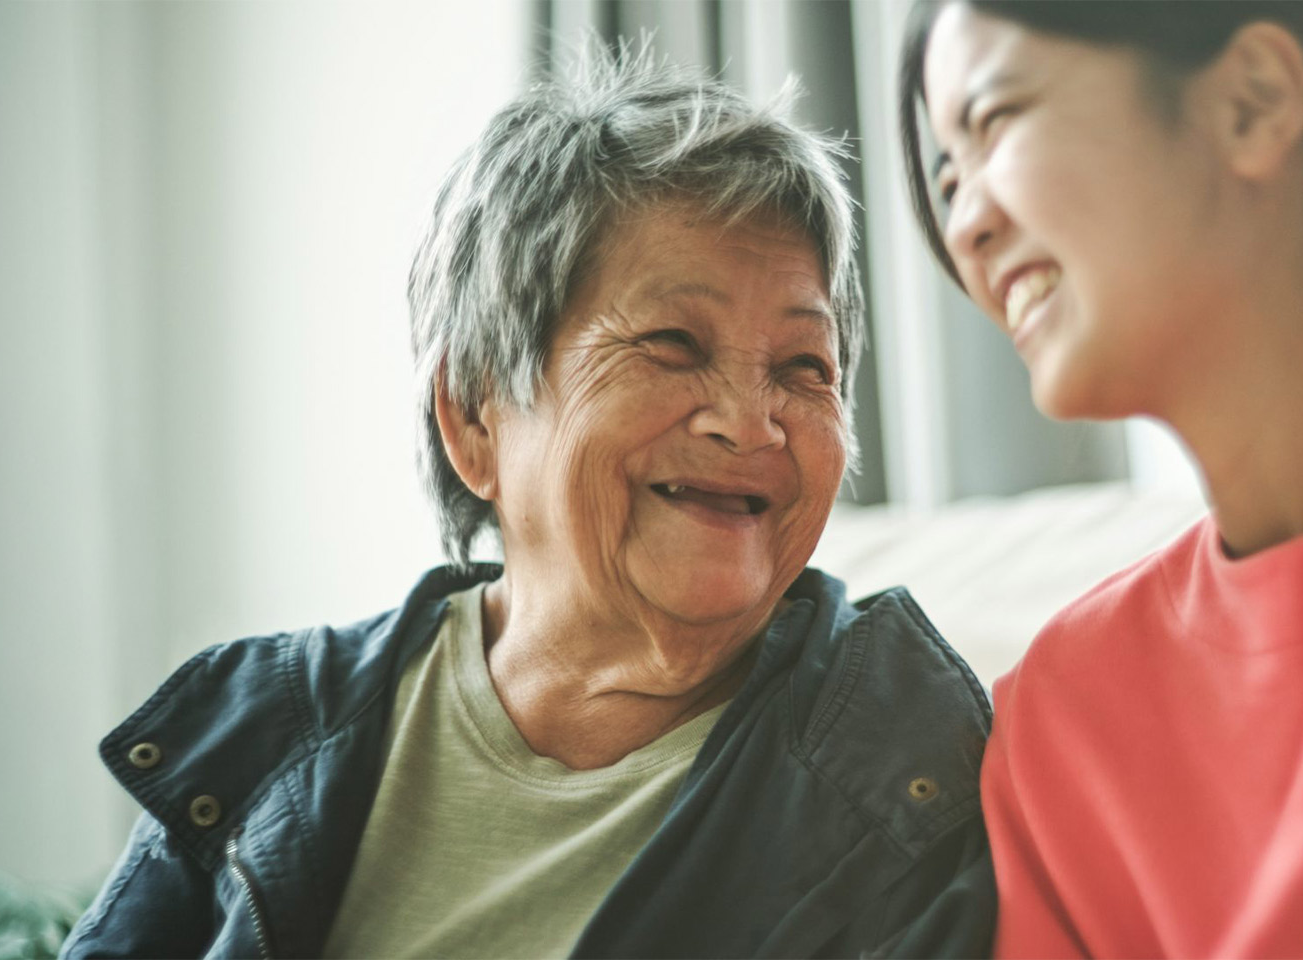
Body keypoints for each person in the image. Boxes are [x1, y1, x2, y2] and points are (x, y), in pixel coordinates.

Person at [61, 44, 995, 959]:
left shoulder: (911, 768)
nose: (751, 426)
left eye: (804, 366)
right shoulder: (265, 733)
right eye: (672, 343)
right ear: (474, 420)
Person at [900, 2, 1303, 956]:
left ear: (1254, 103)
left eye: (997, 119)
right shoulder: (1060, 714)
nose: (964, 225)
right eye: (945, 176)